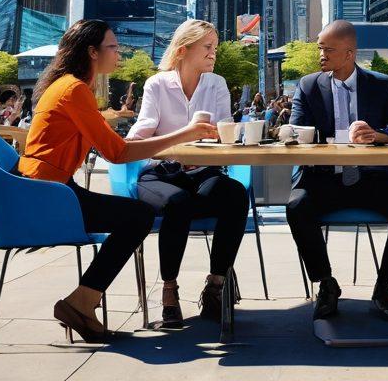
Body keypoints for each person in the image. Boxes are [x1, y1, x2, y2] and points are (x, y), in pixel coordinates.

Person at [20, 19, 220, 342]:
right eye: (113, 47)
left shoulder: (68, 87)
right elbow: (117, 152)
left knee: (136, 214)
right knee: (138, 215)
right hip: (49, 195)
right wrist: (184, 134)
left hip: (45, 189)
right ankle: (82, 302)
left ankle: (83, 301)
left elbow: (110, 142)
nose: (119, 53)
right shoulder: (74, 89)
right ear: (92, 52)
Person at [286, 20, 388, 322]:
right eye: (319, 48)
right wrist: (300, 135)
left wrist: (378, 135)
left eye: (328, 50)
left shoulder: (379, 83)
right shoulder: (308, 85)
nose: (321, 55)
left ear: (349, 53)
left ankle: (384, 285)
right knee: (296, 206)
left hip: (372, 177)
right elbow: (294, 130)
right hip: (323, 178)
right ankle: (326, 283)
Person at [127, 19, 248, 328]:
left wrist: (215, 141)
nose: (213, 53)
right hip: (160, 174)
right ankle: (169, 290)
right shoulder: (157, 84)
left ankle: (216, 286)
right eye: (207, 47)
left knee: (235, 194)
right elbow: (141, 132)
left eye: (215, 47)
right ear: (183, 50)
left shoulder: (216, 84)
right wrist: (177, 144)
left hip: (204, 172)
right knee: (178, 202)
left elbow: (224, 130)